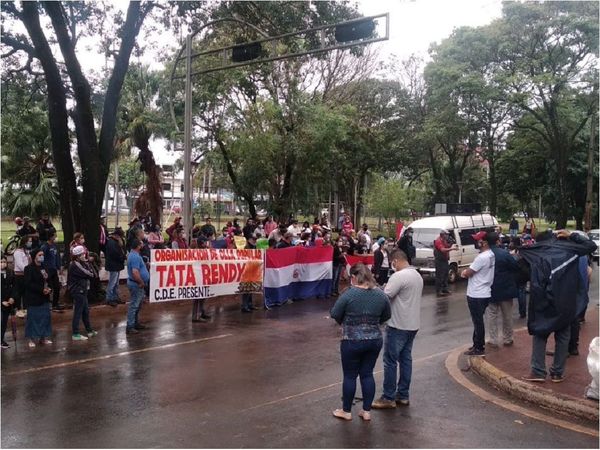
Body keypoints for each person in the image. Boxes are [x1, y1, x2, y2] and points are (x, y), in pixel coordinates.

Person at [519, 230, 596, 382]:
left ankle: (538, 371)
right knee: (562, 336)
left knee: (540, 335)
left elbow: (519, 270)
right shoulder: (570, 248)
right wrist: (572, 235)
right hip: (566, 302)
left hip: (543, 302)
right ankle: (557, 373)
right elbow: (591, 245)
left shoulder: (534, 252)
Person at [330, 263, 391, 421]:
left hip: (352, 339)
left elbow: (335, 313)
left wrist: (346, 322)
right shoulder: (380, 294)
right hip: (374, 339)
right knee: (367, 374)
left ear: (354, 277)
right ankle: (366, 411)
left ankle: (346, 411)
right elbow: (386, 315)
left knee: (350, 376)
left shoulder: (349, 294)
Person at [372, 249, 424, 409]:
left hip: (398, 325)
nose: (391, 265)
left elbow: (384, 297)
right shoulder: (417, 275)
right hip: (412, 324)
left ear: (395, 261)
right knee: (406, 359)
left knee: (390, 361)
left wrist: (375, 288)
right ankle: (403, 395)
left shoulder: (399, 276)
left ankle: (388, 397)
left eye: (391, 262)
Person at [460, 231, 495, 356]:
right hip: (485, 292)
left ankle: (479, 347)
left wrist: (463, 272)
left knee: (478, 322)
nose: (476, 242)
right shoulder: (491, 255)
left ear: (484, 242)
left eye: (478, 240)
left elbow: (468, 272)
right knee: (478, 321)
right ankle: (476, 344)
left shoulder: (482, 257)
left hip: (476, 294)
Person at [486, 232, 520, 348]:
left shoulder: (485, 254)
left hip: (490, 289)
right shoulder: (504, 254)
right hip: (506, 288)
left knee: (492, 315)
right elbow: (515, 267)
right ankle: (508, 338)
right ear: (497, 241)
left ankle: (493, 339)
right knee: (507, 316)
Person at [67, 246, 98, 341]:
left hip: (83, 290)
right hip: (78, 291)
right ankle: (75, 333)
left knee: (85, 311)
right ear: (78, 255)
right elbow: (90, 274)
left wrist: (87, 263)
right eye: (83, 254)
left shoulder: (81, 263)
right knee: (78, 312)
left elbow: (93, 274)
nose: (84, 255)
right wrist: (88, 262)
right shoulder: (75, 265)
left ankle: (89, 330)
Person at [24, 247, 53, 348]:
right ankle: (31, 339)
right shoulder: (28, 269)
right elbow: (28, 284)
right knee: (33, 319)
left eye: (42, 255)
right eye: (39, 255)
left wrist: (49, 288)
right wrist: (41, 290)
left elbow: (49, 280)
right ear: (34, 257)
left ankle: (43, 337)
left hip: (44, 298)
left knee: (45, 318)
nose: (42, 257)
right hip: (34, 298)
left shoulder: (44, 267)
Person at [125, 239, 150, 335]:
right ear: (138, 246)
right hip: (137, 284)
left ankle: (135, 323)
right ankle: (130, 326)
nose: (143, 245)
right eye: (141, 244)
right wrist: (141, 282)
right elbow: (135, 272)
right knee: (134, 305)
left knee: (137, 305)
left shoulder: (134, 255)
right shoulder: (135, 257)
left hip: (136, 283)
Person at [41, 232, 64, 311]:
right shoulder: (45, 247)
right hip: (47, 270)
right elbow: (41, 259)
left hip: (54, 270)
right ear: (50, 237)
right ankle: (46, 303)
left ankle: (55, 304)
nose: (56, 237)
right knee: (49, 287)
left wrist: (59, 267)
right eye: (54, 236)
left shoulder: (55, 246)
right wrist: (43, 270)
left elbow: (57, 257)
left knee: (57, 287)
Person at [105, 229, 126, 307]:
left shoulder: (115, 242)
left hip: (116, 265)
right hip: (114, 265)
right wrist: (123, 257)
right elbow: (115, 254)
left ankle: (115, 297)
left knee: (115, 283)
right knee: (112, 282)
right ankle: (109, 298)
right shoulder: (111, 243)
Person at [13, 236, 32, 318]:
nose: (30, 243)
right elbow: (20, 264)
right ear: (25, 242)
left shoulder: (27, 251)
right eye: (29, 241)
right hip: (19, 276)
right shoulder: (18, 252)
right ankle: (18, 309)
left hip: (25, 275)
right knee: (18, 293)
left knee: (26, 293)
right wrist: (27, 270)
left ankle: (25, 308)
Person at [433, 230, 456, 296]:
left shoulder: (444, 240)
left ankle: (444, 289)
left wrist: (451, 243)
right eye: (446, 234)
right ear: (442, 235)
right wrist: (452, 249)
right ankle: (439, 290)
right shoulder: (438, 241)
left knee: (446, 274)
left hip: (445, 260)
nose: (447, 236)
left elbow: (447, 246)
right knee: (440, 276)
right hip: (439, 260)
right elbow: (443, 250)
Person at [1, 255, 16, 349]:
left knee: (4, 322)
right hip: (1, 302)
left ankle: (1, 339)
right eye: (1, 262)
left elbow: (15, 287)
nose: (3, 264)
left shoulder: (10, 272)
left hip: (7, 302)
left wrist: (12, 297)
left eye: (4, 262)